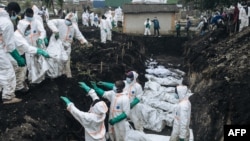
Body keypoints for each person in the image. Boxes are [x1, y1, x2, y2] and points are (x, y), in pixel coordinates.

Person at [14, 20, 50, 92]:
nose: (29, 31)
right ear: (22, 28)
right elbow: (27, 48)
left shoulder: (20, 34)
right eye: (27, 29)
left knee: (22, 70)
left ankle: (20, 86)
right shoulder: (17, 36)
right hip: (14, 56)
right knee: (17, 71)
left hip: (19, 54)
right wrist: (40, 51)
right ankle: (18, 88)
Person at [0, 2, 26, 104]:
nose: (15, 16)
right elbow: (10, 46)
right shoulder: (7, 23)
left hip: (2, 49)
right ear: (12, 11)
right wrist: (18, 57)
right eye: (16, 13)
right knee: (8, 71)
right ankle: (8, 97)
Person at [23, 8, 48, 84]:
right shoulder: (22, 23)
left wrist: (41, 38)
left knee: (39, 62)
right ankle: (32, 80)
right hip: (27, 46)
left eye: (30, 15)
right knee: (30, 64)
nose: (29, 17)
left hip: (37, 45)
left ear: (33, 15)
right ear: (25, 14)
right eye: (27, 15)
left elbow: (43, 31)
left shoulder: (36, 22)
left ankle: (41, 78)